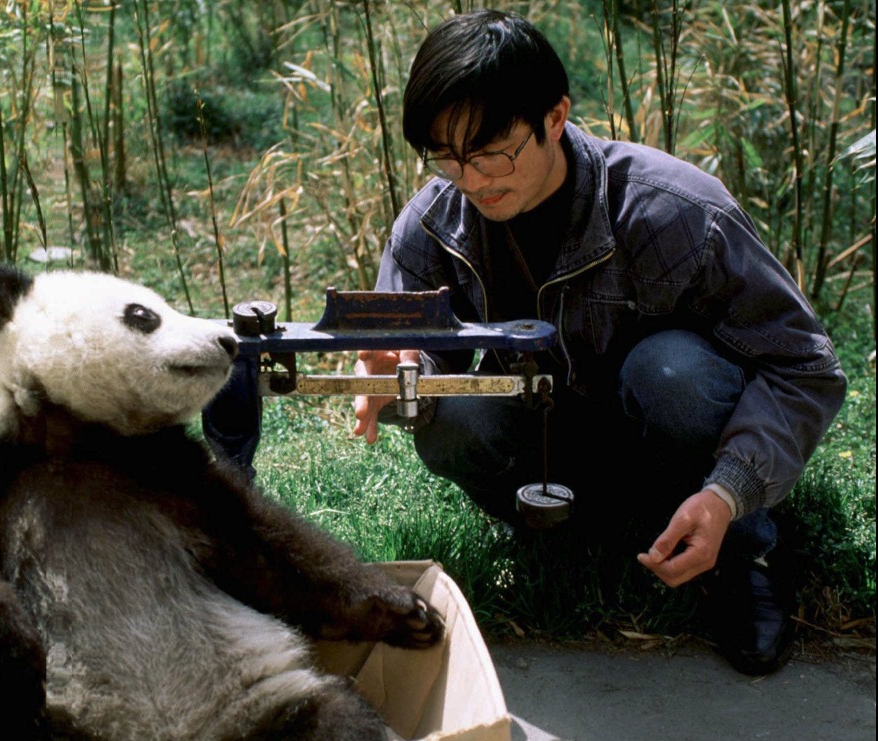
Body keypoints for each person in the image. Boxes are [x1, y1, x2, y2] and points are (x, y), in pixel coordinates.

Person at [351, 9, 847, 676]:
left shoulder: (675, 212)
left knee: (673, 372)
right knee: (449, 415)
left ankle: (740, 550)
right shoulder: (432, 223)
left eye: (494, 150)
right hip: (549, 437)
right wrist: (403, 371)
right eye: (447, 155)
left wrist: (729, 490)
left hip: (673, 435)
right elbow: (408, 346)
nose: (473, 181)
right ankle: (557, 533)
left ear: (554, 118)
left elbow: (804, 366)